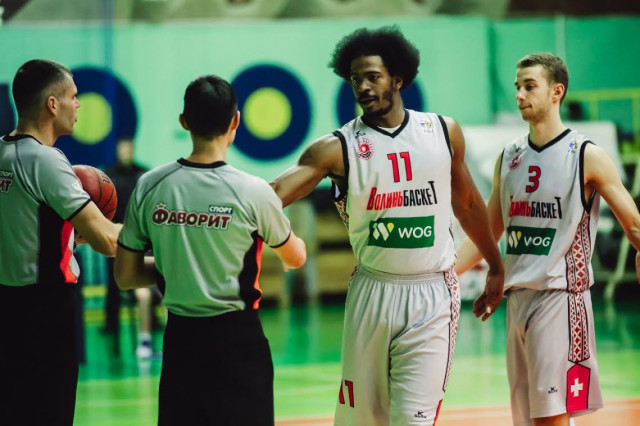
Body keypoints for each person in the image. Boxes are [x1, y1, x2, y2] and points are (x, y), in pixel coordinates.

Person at [270, 26, 504, 426]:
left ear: (398, 78)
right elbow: (273, 194)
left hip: (432, 293)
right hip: (373, 291)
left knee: (413, 420)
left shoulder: (442, 132)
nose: (362, 86)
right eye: (355, 79)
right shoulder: (337, 148)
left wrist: (495, 266)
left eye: (373, 76)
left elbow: (467, 204)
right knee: (365, 421)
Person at [455, 52, 640, 426]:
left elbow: (634, 226)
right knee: (527, 420)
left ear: (557, 92)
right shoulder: (509, 156)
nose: (519, 95)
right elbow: (488, 231)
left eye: (529, 86)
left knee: (550, 419)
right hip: (517, 301)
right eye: (517, 87)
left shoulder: (586, 155)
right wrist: (440, 274)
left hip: (560, 300)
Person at [114, 74, 307, 426]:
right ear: (236, 121)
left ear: (184, 121)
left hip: (180, 344)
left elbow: (126, 277)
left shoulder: (150, 185)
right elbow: (295, 257)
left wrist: (178, 267)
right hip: (238, 344)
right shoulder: (254, 191)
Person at [0, 59, 121, 425]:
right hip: (45, 313)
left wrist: (65, 237)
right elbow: (107, 241)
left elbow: (22, 228)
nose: (78, 104)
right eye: (73, 95)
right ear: (53, 104)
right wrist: (163, 231)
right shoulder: (46, 161)